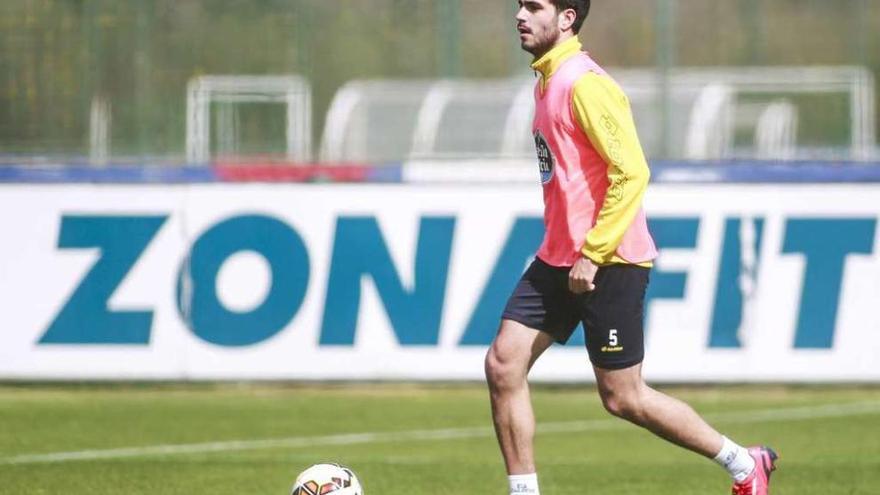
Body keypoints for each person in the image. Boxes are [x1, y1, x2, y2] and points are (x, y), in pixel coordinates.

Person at [484, 1, 778, 494]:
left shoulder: (586, 84)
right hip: (558, 256)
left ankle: (744, 465)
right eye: (518, 5)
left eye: (533, 6)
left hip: (609, 259)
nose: (519, 14)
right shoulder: (547, 80)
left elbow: (633, 172)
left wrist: (594, 252)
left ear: (566, 19)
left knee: (623, 397)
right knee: (502, 363)